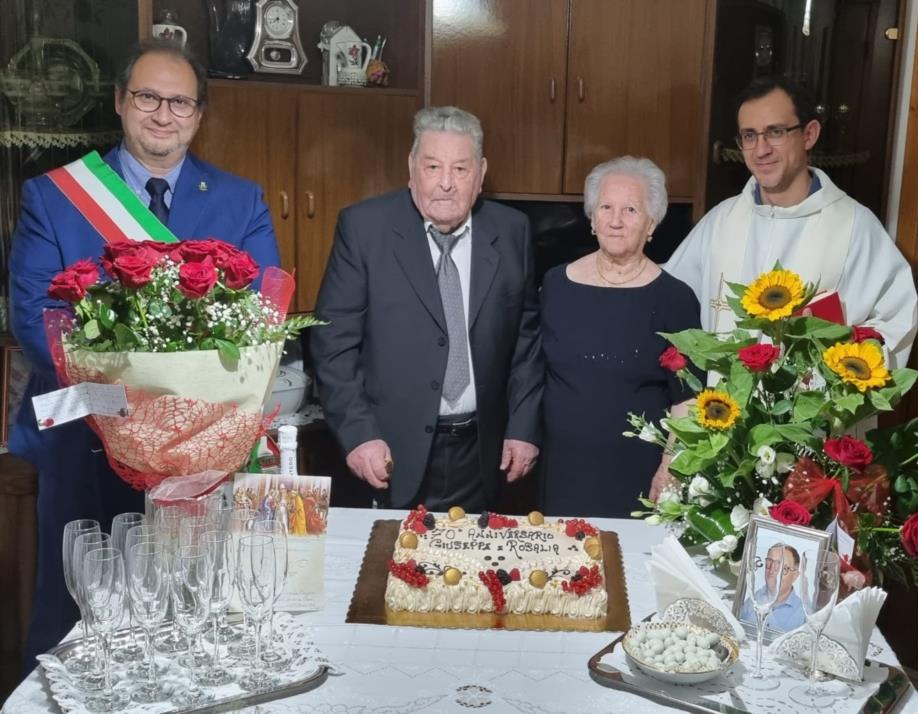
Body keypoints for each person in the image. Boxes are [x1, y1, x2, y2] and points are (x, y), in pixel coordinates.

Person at [8, 39, 280, 669]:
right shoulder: (56, 196)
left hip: (199, 443)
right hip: (85, 433)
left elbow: (260, 318)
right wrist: (130, 406)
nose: (164, 114)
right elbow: (36, 319)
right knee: (79, 604)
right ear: (120, 102)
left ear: (199, 113)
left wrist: (176, 415)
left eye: (179, 101)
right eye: (148, 97)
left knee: (189, 608)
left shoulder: (240, 201)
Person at [311, 106, 542, 513]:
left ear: (481, 173)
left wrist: (523, 429)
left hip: (482, 454)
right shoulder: (364, 229)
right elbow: (334, 344)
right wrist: (359, 434)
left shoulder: (511, 232)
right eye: (433, 167)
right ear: (412, 167)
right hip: (388, 451)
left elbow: (526, 340)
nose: (446, 184)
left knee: (470, 573)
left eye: (460, 169)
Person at [664, 77, 917, 368]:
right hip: (723, 405)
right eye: (749, 136)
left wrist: (846, 358)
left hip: (811, 407)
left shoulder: (854, 227)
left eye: (775, 132)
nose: (761, 150)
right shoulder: (721, 221)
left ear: (809, 135)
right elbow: (669, 299)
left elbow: (895, 321)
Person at [540, 157, 701, 518]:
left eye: (630, 209)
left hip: (639, 474)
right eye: (606, 207)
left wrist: (671, 468)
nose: (615, 220)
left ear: (651, 223)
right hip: (561, 470)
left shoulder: (674, 298)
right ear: (592, 218)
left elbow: (688, 398)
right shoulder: (555, 284)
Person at [740, 543, 806, 631]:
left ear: (795, 576)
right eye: (769, 562)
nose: (772, 571)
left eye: (783, 568)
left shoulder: (803, 614)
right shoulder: (751, 601)